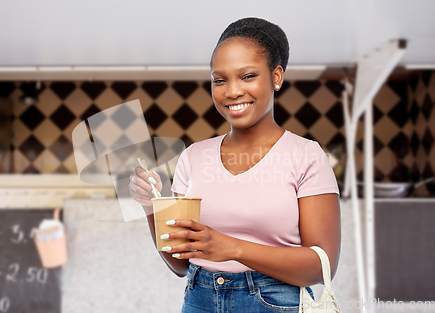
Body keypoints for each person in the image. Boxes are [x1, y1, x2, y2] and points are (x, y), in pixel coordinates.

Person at [129, 17, 341, 313]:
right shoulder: (193, 156)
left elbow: (322, 266)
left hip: (275, 303)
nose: (232, 91)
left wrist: (231, 248)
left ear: (276, 76)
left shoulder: (306, 155)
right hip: (199, 299)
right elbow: (179, 263)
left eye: (247, 76)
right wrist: (151, 206)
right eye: (219, 80)